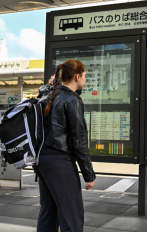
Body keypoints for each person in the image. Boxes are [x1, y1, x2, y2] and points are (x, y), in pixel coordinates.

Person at [34, 59, 96, 232]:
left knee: (48, 213)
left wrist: (50, 85)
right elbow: (79, 140)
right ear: (77, 76)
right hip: (60, 161)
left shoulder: (48, 95)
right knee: (72, 216)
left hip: (42, 160)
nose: (85, 79)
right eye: (84, 76)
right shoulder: (71, 100)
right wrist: (88, 174)